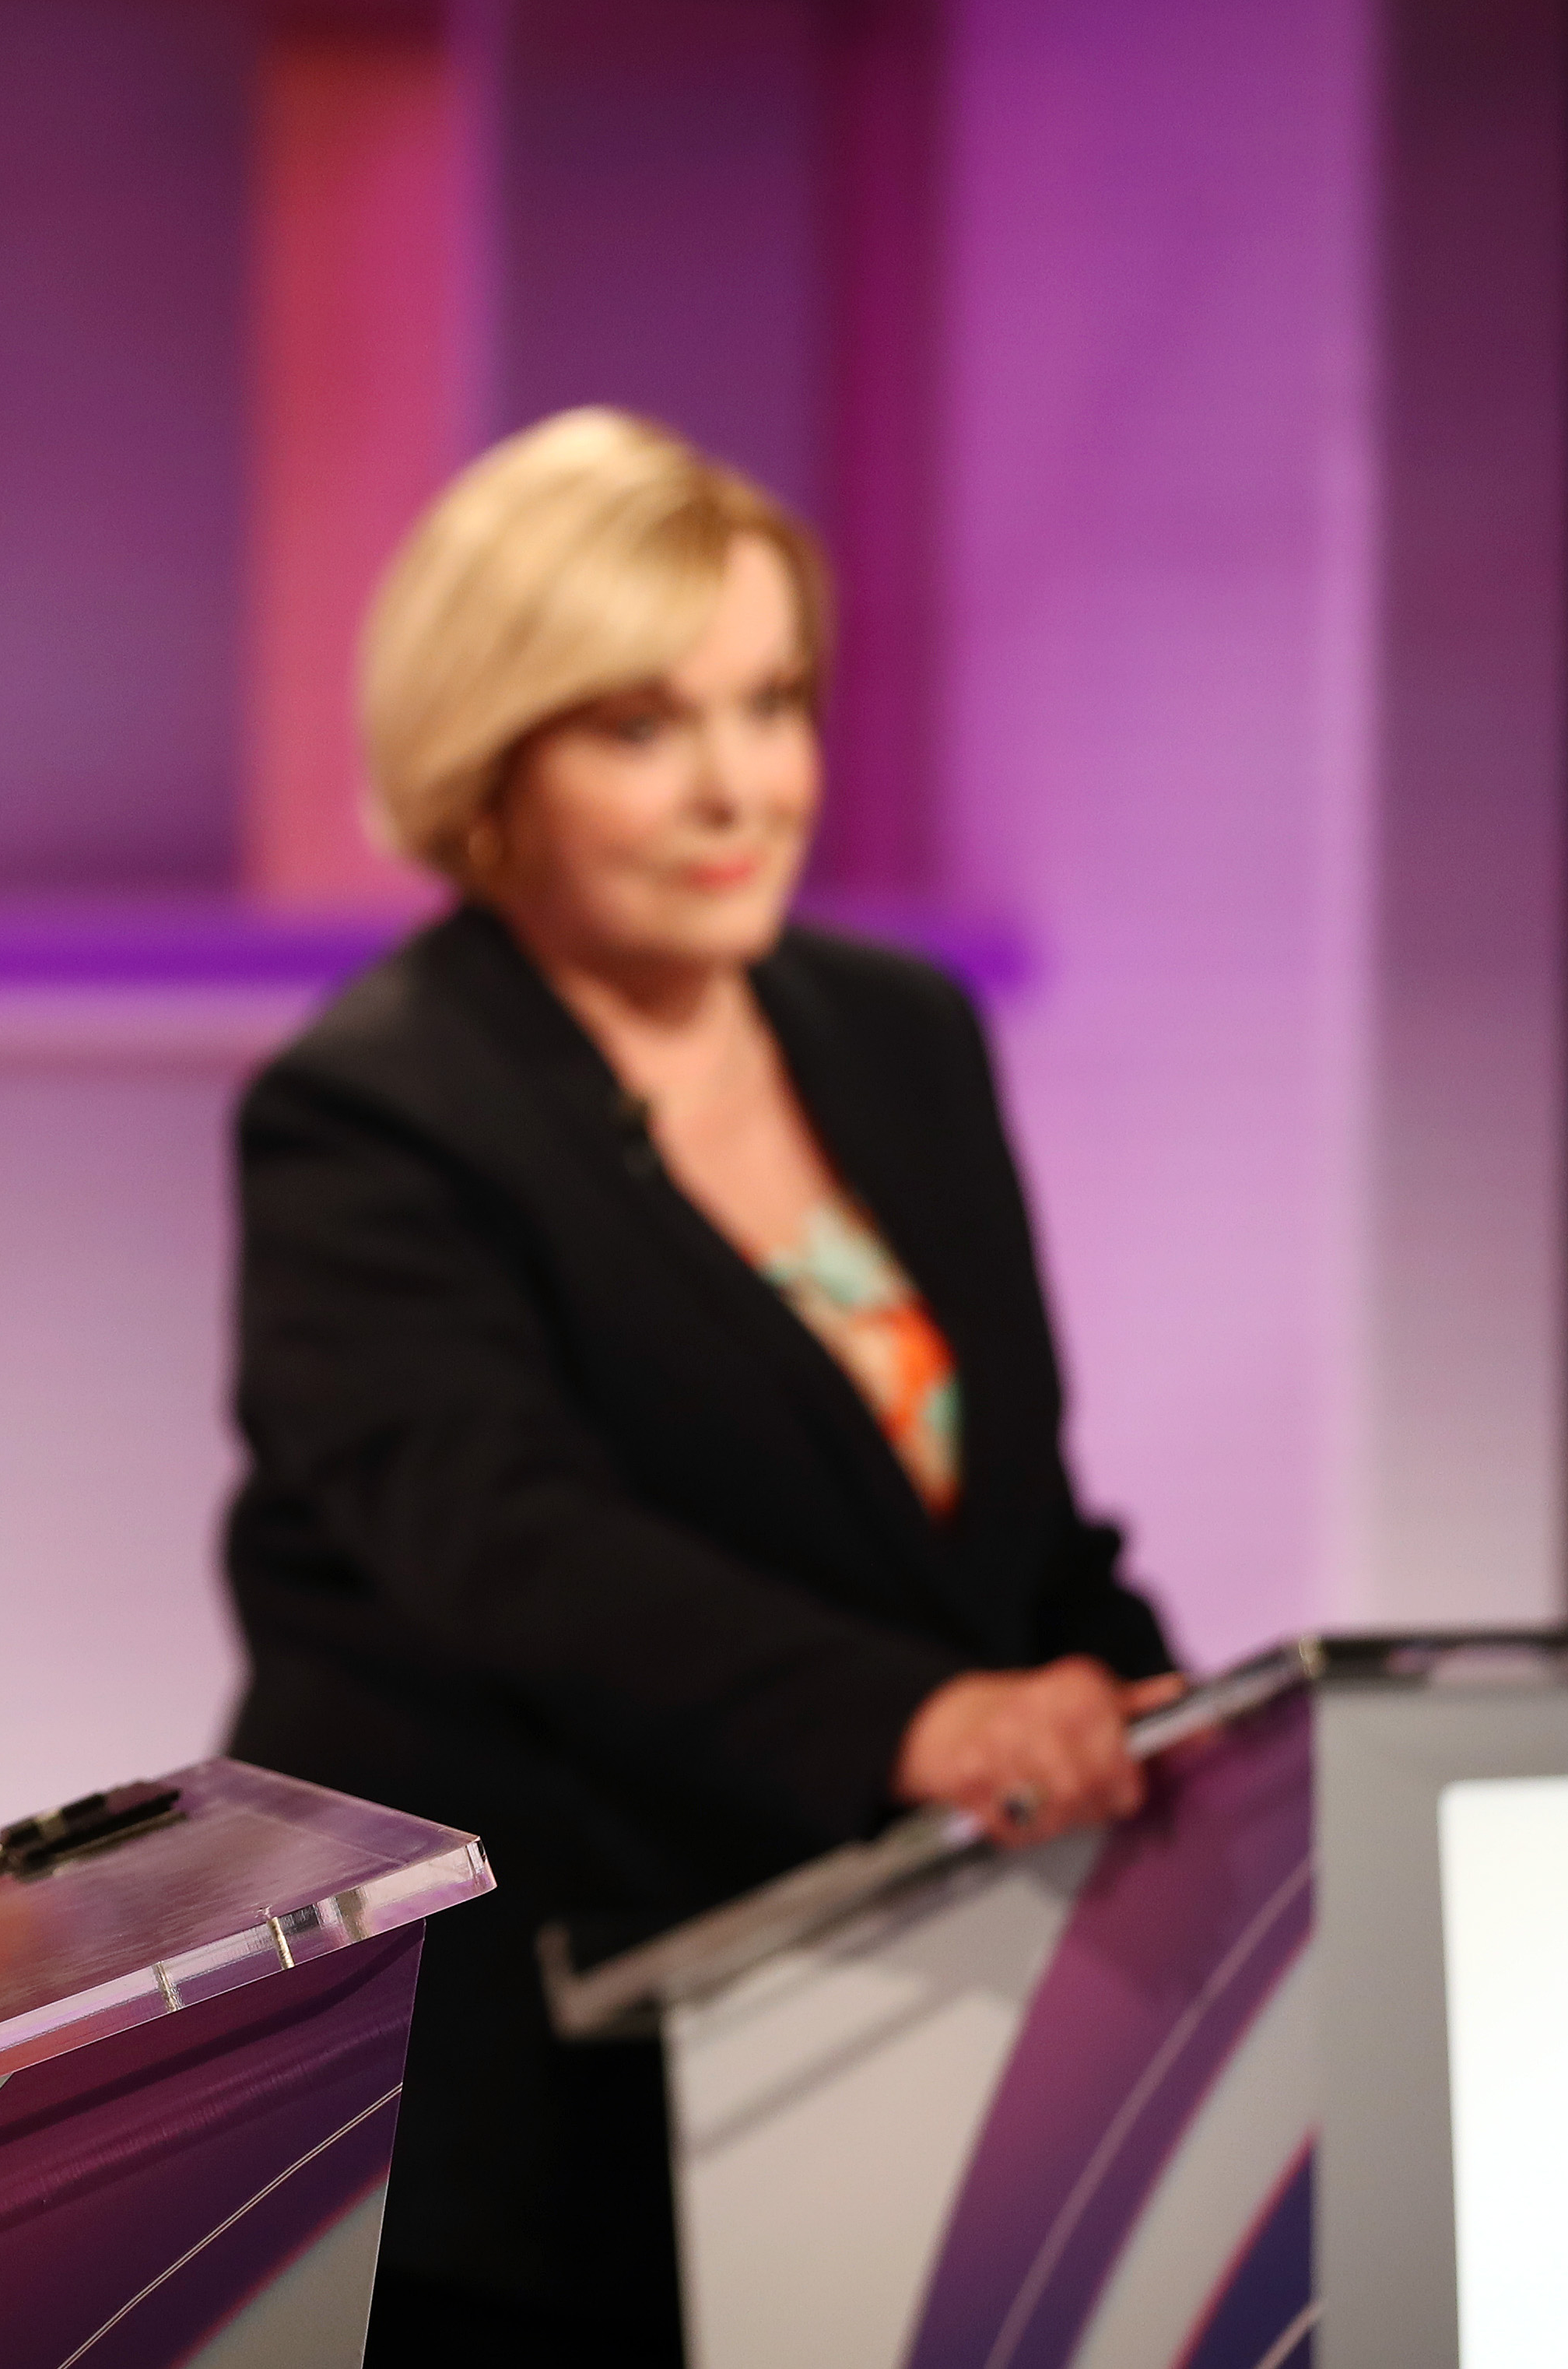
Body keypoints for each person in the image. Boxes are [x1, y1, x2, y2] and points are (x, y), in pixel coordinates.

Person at [220, 409, 1180, 2366]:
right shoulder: (371, 1112)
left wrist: (1162, 1729)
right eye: (641, 727)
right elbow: (506, 1551)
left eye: (772, 704)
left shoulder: (897, 1033)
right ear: (490, 764)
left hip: (897, 2044)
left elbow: (997, 1517)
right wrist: (921, 1723)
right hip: (521, 2116)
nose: (739, 788)